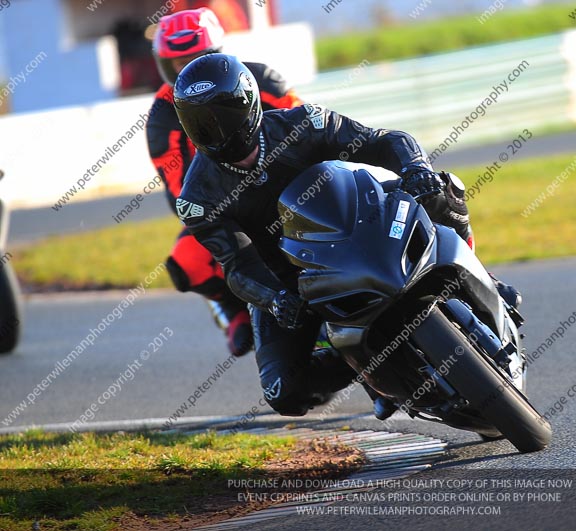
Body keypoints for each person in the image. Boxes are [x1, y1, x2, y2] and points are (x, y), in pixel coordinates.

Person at [173, 54, 521, 419]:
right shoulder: (197, 199)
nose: (214, 131)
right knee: (283, 392)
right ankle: (368, 370)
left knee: (440, 189)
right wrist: (274, 298)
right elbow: (237, 265)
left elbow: (383, 140)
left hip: (360, 224)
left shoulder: (304, 124)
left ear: (248, 106)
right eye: (200, 123)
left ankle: (482, 275)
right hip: (292, 279)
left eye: (222, 116)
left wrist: (415, 167)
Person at [146, 8, 302, 357]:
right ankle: (232, 310)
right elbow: (179, 192)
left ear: (216, 52)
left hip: (291, 188)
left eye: (196, 59)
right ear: (164, 66)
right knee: (187, 260)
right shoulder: (162, 114)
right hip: (228, 207)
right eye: (179, 64)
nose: (189, 72)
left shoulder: (262, 78)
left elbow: (307, 125)